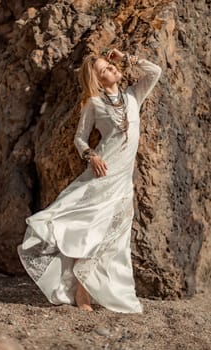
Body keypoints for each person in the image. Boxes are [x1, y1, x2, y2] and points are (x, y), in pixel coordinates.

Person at [17, 48, 162, 313]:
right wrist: (91, 155)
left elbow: (156, 71)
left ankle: (91, 288)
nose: (111, 69)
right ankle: (81, 290)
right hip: (102, 175)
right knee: (87, 227)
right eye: (104, 69)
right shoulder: (94, 103)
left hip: (123, 181)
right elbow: (79, 138)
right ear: (97, 80)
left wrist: (125, 58)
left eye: (109, 65)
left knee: (112, 237)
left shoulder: (133, 96)